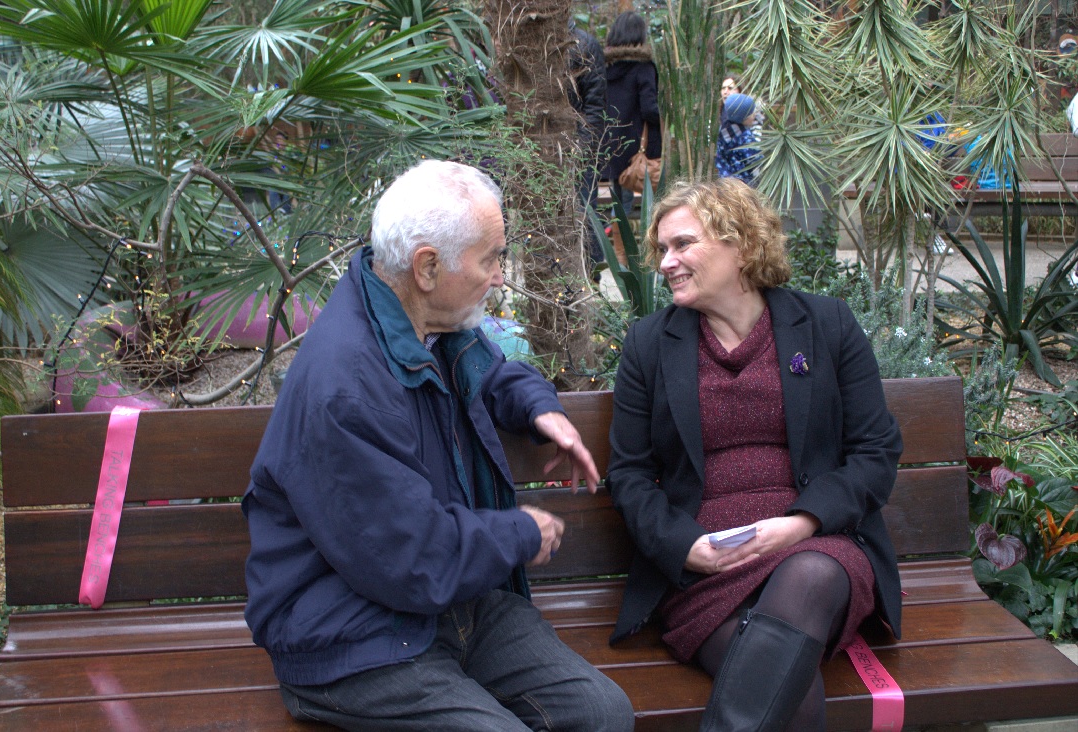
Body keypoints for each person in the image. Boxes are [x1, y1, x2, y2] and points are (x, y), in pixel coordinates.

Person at [243, 160, 635, 732]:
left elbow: (486, 369)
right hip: (352, 631)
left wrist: (539, 408)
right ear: (427, 266)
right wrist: (523, 531)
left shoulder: (417, 317)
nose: (500, 276)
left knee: (603, 715)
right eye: (491, 258)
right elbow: (410, 556)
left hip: (452, 602)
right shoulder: (346, 384)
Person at [607, 178, 903, 731]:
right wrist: (685, 547)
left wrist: (802, 522)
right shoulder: (650, 344)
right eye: (662, 250)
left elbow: (876, 450)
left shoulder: (825, 325)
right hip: (706, 567)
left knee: (809, 579)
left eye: (683, 245)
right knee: (789, 684)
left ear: (739, 243)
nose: (666, 262)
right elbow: (630, 474)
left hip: (818, 545)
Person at [602, 10, 662, 216]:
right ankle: (629, 246)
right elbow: (649, 108)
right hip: (637, 146)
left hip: (610, 143)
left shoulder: (604, 67)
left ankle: (617, 244)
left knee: (619, 199)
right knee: (647, 201)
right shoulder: (643, 67)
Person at [567, 19, 608, 262]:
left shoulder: (583, 45)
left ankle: (591, 277)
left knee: (584, 214)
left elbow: (595, 106)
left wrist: (581, 150)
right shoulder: (529, 41)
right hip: (542, 149)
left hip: (578, 150)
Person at [715, 93, 762, 186]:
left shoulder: (723, 130)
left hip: (725, 179)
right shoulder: (745, 137)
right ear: (744, 117)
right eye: (752, 113)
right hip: (743, 183)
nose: (754, 115)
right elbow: (755, 159)